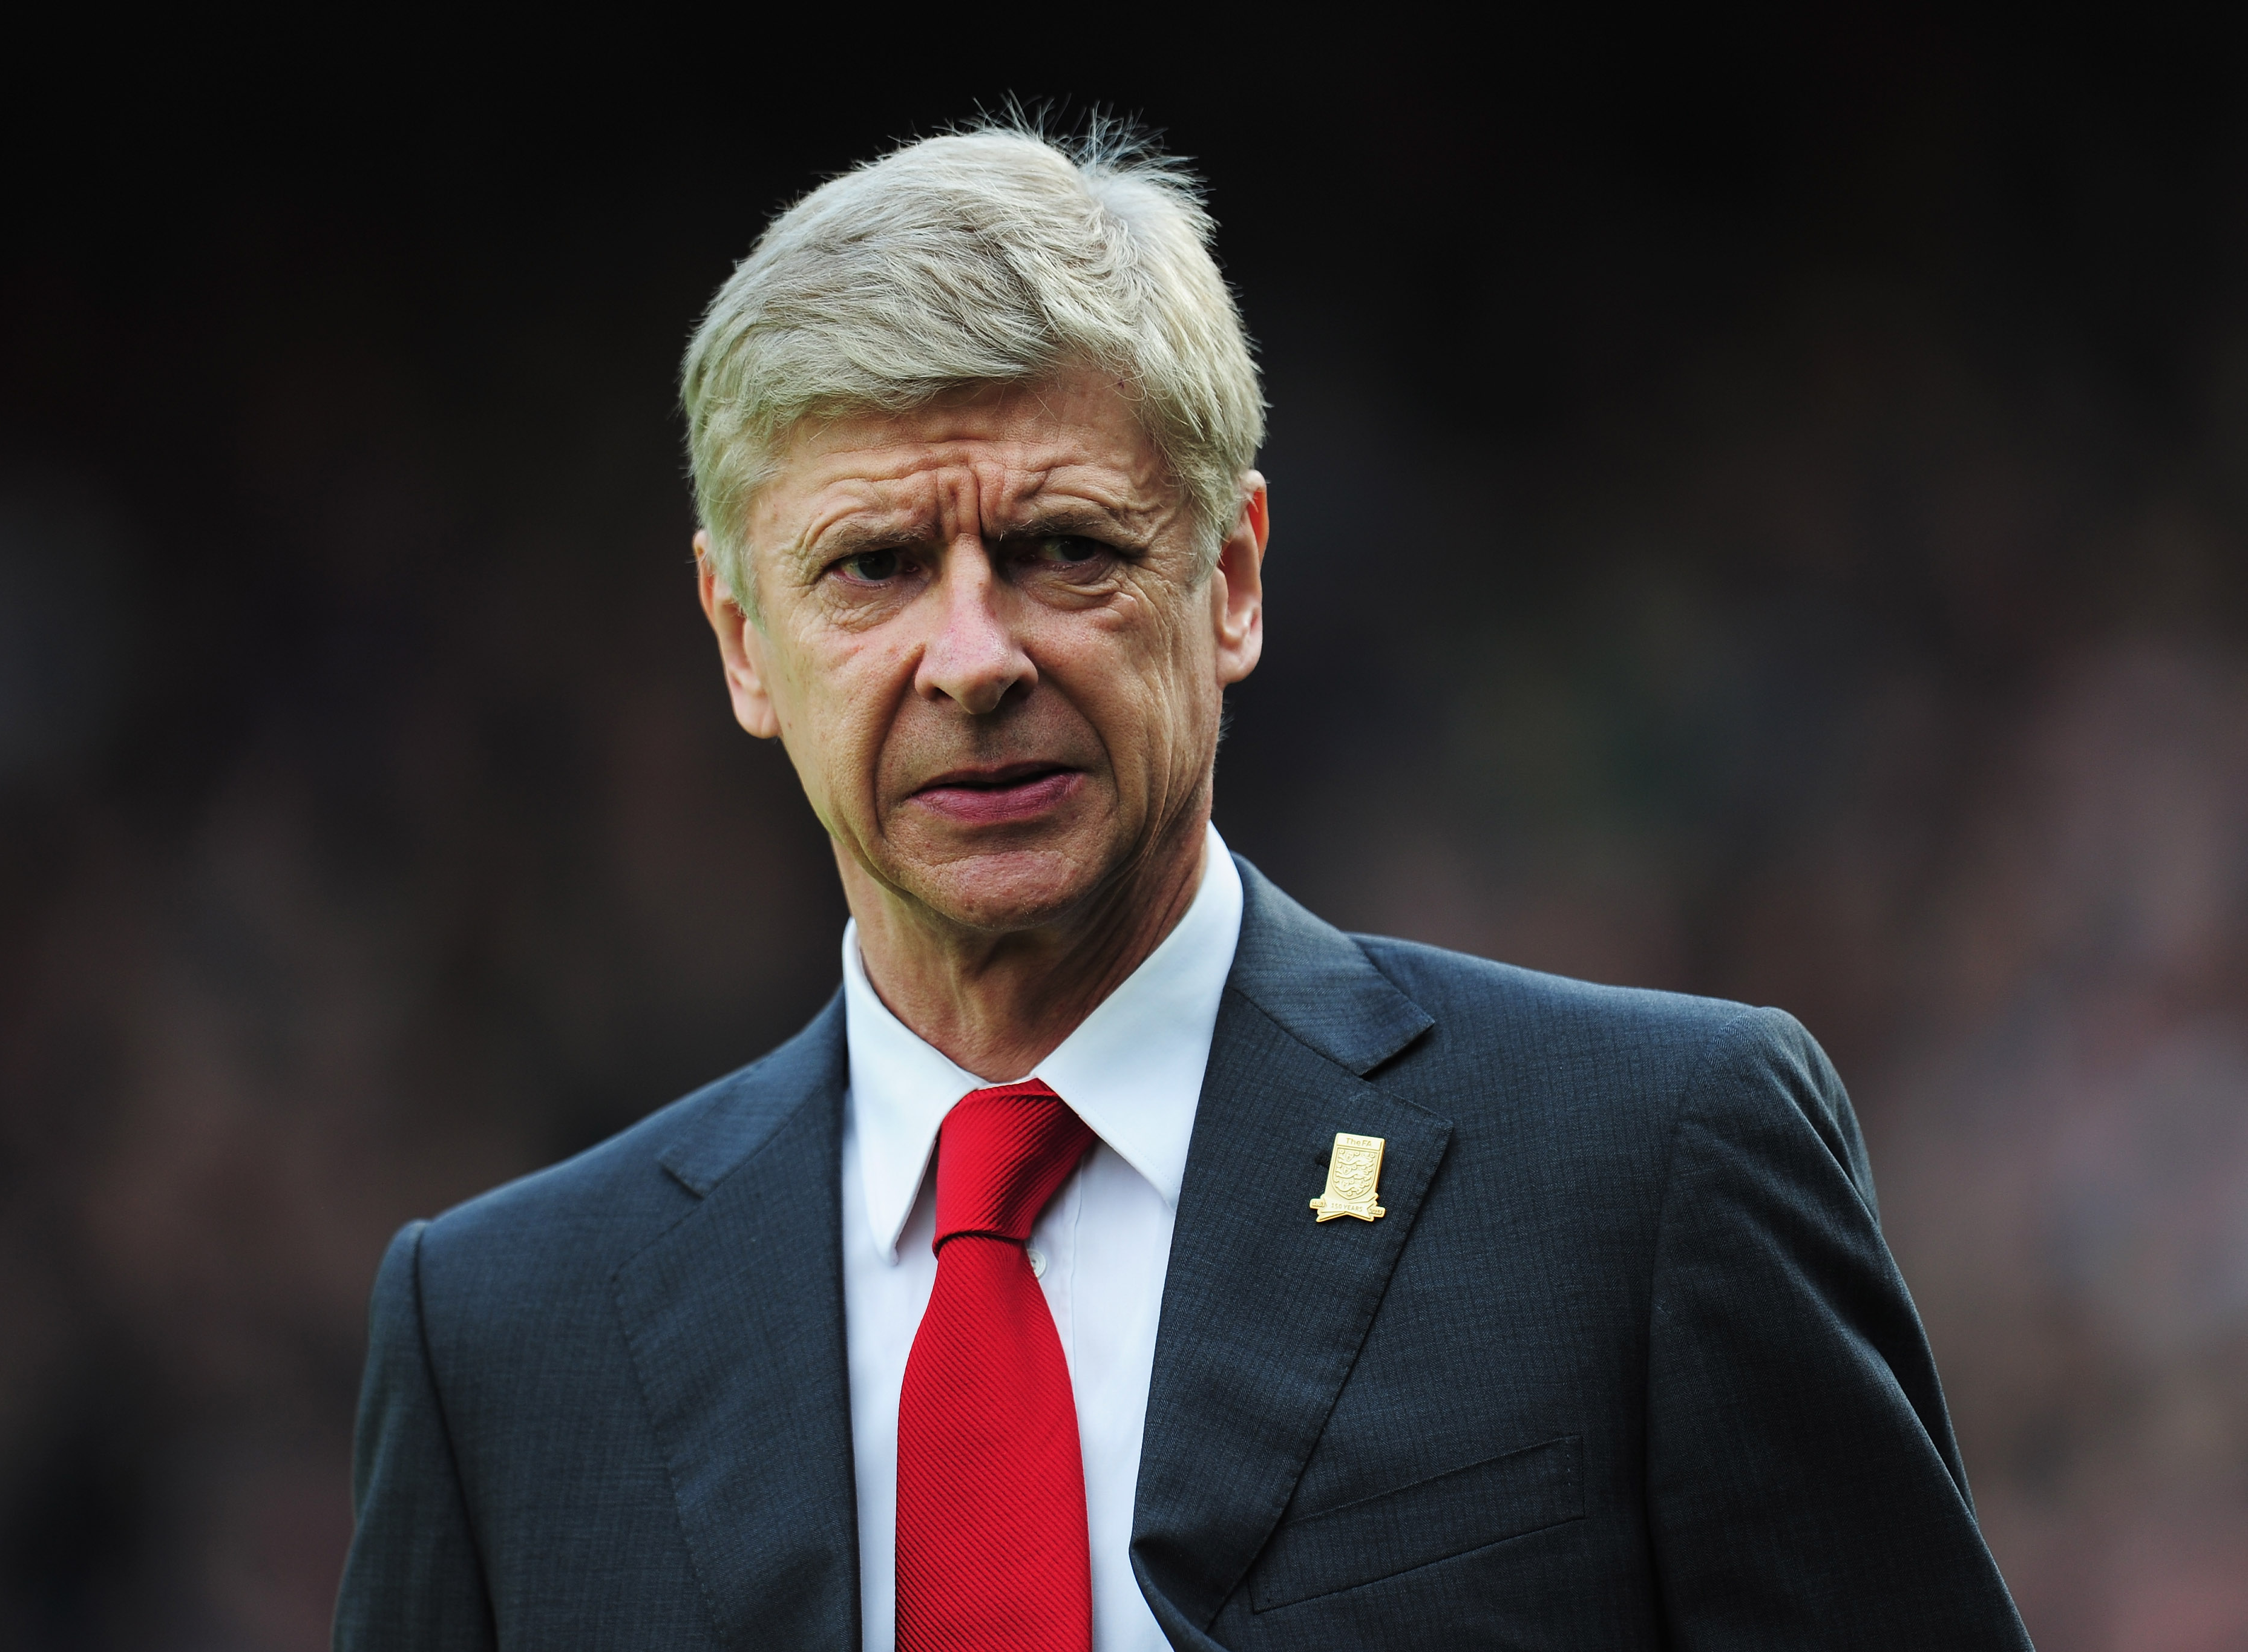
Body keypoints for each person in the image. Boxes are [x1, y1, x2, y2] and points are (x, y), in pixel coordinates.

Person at [333, 124, 2032, 1651]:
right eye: (875, 567)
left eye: (1065, 546)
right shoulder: (503, 1343)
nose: (975, 655)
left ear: (1230, 578)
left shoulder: (1649, 1169)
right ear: (740, 640)